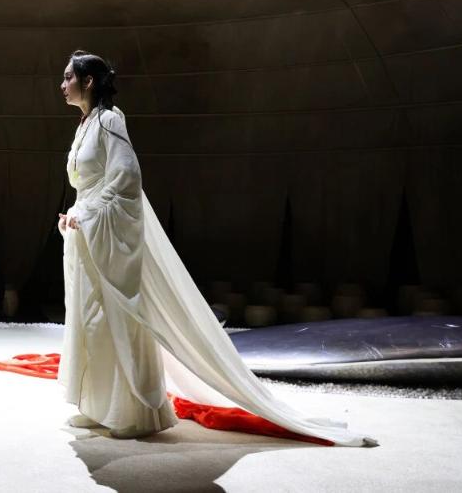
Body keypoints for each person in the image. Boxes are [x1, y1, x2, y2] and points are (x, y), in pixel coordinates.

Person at [57, 50, 374, 445]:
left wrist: (88, 213)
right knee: (91, 319)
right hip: (87, 237)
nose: (63, 84)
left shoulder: (110, 119)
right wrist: (75, 214)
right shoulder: (84, 125)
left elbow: (126, 177)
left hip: (104, 233)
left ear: (88, 81)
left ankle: (134, 412)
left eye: (69, 77)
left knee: (118, 320)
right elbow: (88, 183)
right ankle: (97, 407)